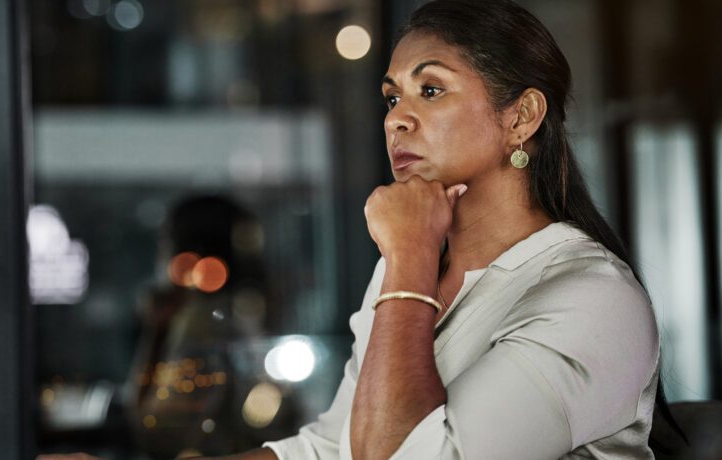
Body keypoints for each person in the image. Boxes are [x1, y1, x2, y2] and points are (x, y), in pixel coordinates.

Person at [40, 0, 681, 458]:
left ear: (522, 117)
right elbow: (334, 446)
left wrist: (407, 256)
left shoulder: (591, 299)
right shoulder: (415, 266)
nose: (397, 119)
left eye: (431, 91)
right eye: (391, 96)